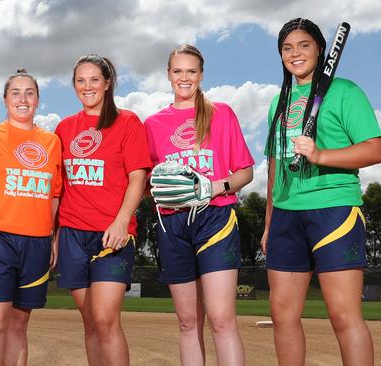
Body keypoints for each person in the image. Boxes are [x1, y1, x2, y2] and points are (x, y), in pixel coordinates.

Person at [262, 18, 380, 366]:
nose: (295, 53)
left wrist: (321, 155)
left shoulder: (344, 91)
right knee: (282, 315)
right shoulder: (278, 102)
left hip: (334, 209)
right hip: (285, 215)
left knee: (343, 315)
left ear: (319, 50)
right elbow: (274, 167)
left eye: (304, 45)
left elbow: (374, 147)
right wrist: (269, 222)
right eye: (287, 48)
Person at [144, 44, 253, 366]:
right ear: (168, 75)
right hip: (172, 224)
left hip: (215, 218)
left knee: (221, 319)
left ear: (201, 75)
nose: (184, 77)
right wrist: (158, 191)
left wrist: (214, 186)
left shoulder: (221, 113)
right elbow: (149, 181)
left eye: (191, 71)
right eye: (178, 71)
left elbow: (245, 172)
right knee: (188, 322)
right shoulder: (152, 123)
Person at [54, 54, 151, 366]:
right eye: (80, 80)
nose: (87, 86)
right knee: (90, 322)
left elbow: (138, 176)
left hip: (113, 235)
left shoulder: (127, 122)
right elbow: (59, 186)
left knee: (105, 318)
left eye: (94, 79)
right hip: (72, 233)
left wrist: (122, 222)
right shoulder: (65, 128)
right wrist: (54, 234)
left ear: (108, 83)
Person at [0, 69, 62, 366]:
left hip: (37, 242)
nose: (23, 99)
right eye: (16, 93)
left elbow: (54, 195)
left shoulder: (51, 142)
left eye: (29, 92)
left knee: (19, 324)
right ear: (5, 99)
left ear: (38, 100)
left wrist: (52, 237)